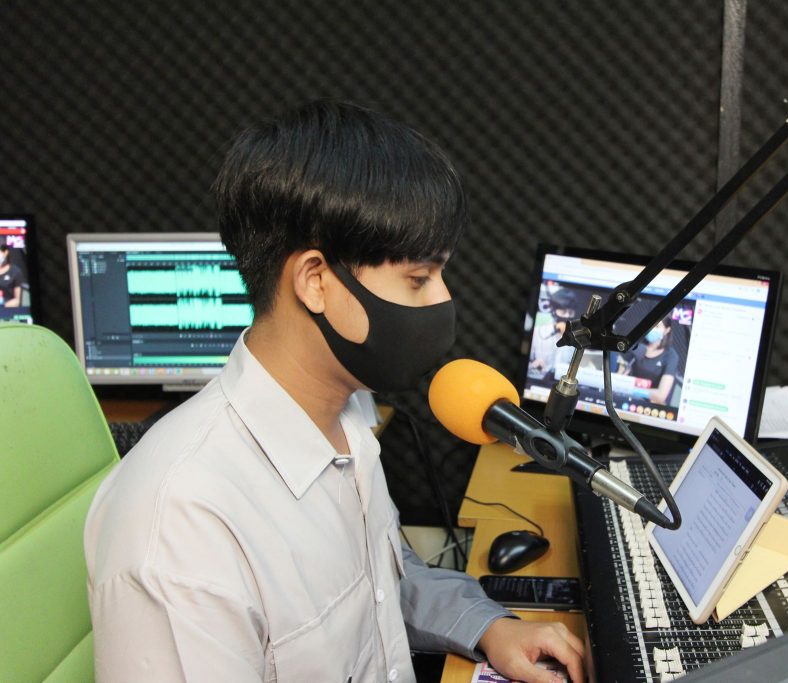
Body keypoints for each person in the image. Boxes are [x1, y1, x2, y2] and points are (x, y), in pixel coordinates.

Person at [84, 100, 584, 683]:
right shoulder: (182, 527)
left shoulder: (347, 418)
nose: (443, 301)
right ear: (316, 281)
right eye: (419, 279)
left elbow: (376, 584)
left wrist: (489, 626)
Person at [618, 317, 679, 405]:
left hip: (650, 405)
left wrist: (633, 390)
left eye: (657, 326)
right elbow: (619, 376)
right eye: (650, 324)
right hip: (625, 400)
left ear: (667, 330)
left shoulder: (671, 356)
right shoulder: (636, 346)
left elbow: (661, 395)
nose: (652, 329)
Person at [0, 243, 25, 307]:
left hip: (7, 310)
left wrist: (4, 306)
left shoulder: (15, 272)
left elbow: (17, 300)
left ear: (5, 252)